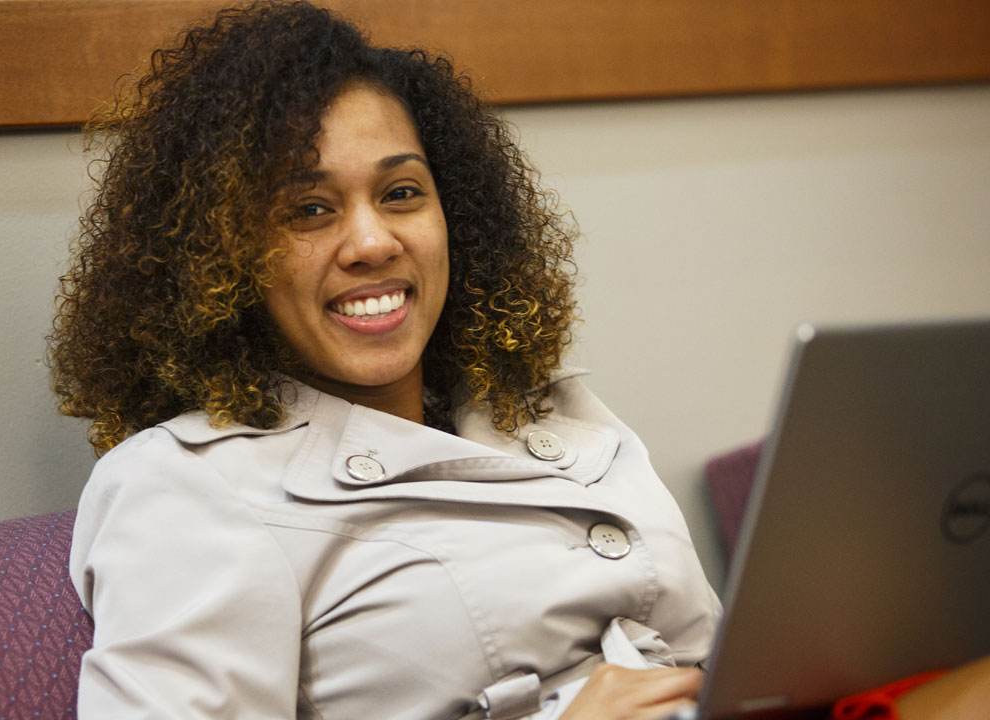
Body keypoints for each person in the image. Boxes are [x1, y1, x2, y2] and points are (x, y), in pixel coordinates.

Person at [48, 2, 984, 718]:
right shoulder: (187, 488)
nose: (373, 241)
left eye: (402, 193)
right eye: (309, 208)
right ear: (220, 257)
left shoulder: (553, 417)